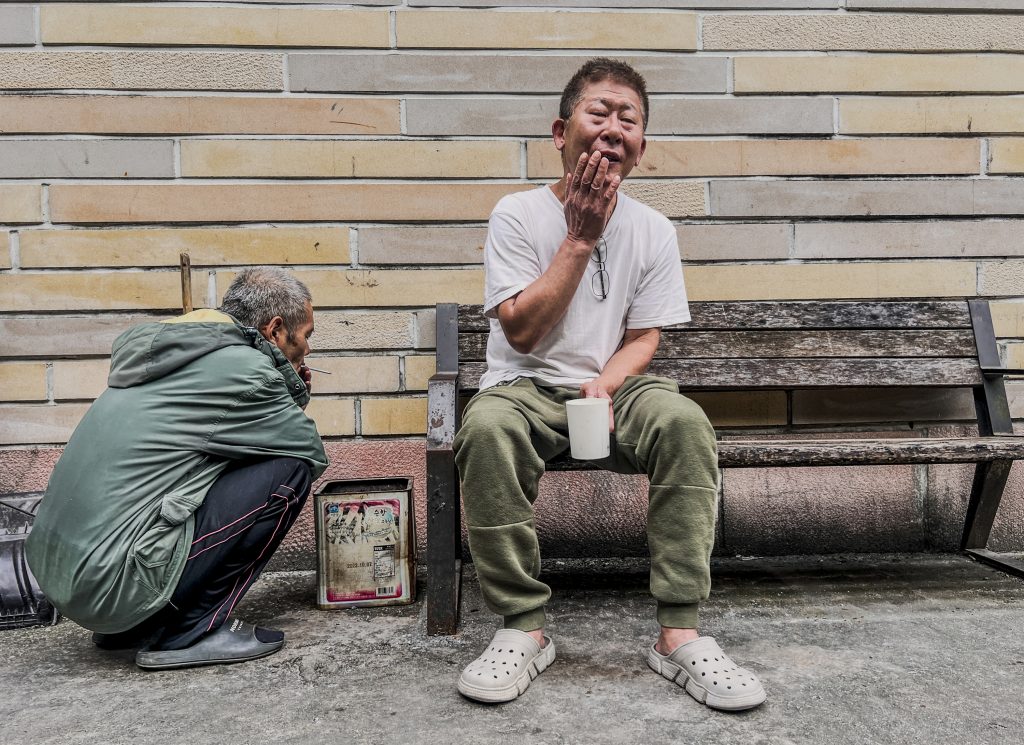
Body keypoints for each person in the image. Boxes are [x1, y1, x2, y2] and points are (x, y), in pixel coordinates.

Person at [453, 59, 766, 711]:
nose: (614, 126)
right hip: (526, 385)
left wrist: (607, 381)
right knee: (483, 429)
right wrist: (579, 237)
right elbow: (522, 334)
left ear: (642, 148)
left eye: (630, 118)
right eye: (600, 112)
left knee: (684, 423)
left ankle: (679, 631)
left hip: (614, 387)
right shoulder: (515, 215)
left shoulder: (654, 229)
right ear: (560, 131)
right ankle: (522, 627)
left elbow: (645, 334)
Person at [26, 267, 329, 670]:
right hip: (112, 585)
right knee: (289, 472)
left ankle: (136, 626)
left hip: (68, 578)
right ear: (275, 330)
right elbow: (309, 452)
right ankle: (192, 632)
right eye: (306, 334)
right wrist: (293, 390)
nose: (307, 349)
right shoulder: (246, 370)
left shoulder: (177, 353)